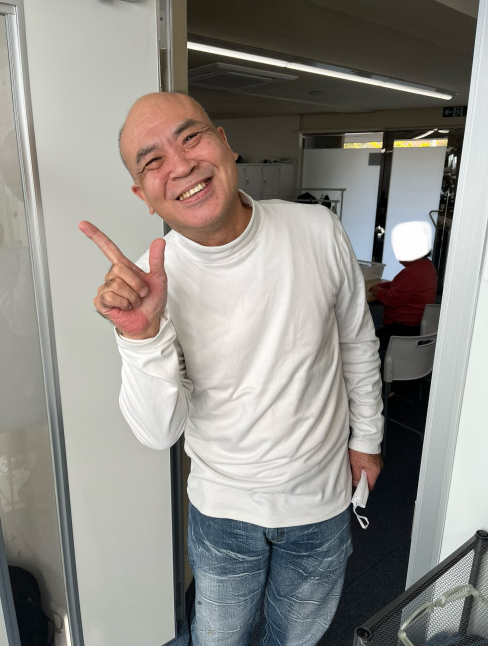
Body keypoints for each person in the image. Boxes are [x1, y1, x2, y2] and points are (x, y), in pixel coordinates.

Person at [79, 92, 383, 646]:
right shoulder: (152, 283)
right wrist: (142, 336)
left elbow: (356, 341)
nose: (180, 165)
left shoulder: (317, 229)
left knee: (297, 640)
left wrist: (367, 440)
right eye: (153, 161)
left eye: (191, 137)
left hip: (322, 499)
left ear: (224, 142)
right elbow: (158, 433)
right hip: (223, 511)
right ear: (143, 195)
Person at [369, 221, 438, 351]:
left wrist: (378, 291)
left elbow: (392, 299)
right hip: (418, 325)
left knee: (367, 344)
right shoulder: (427, 266)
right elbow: (403, 286)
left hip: (403, 328)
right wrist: (385, 285)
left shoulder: (412, 272)